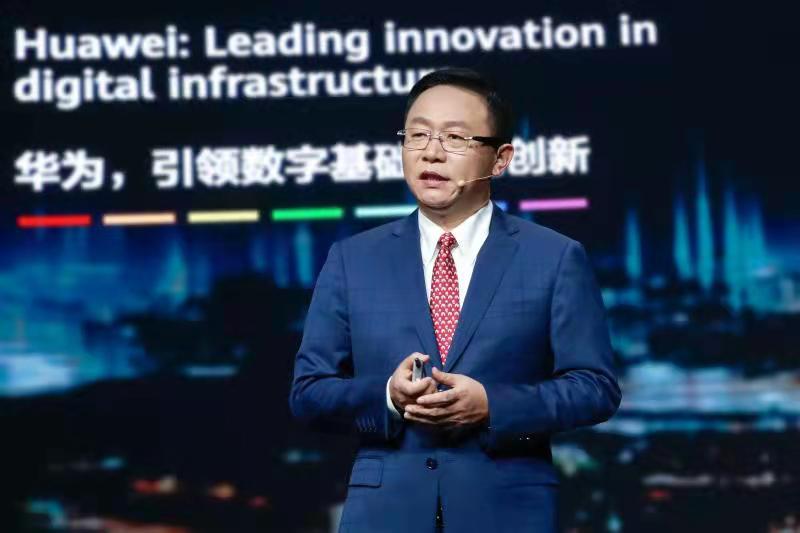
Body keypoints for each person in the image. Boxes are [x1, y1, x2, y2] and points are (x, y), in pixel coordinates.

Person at [290, 67, 621, 532]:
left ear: (500, 159)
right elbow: (308, 393)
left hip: (508, 513)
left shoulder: (554, 257)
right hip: (385, 514)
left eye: (455, 138)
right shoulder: (352, 259)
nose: (431, 152)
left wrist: (493, 405)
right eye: (417, 134)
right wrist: (388, 397)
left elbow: (595, 388)